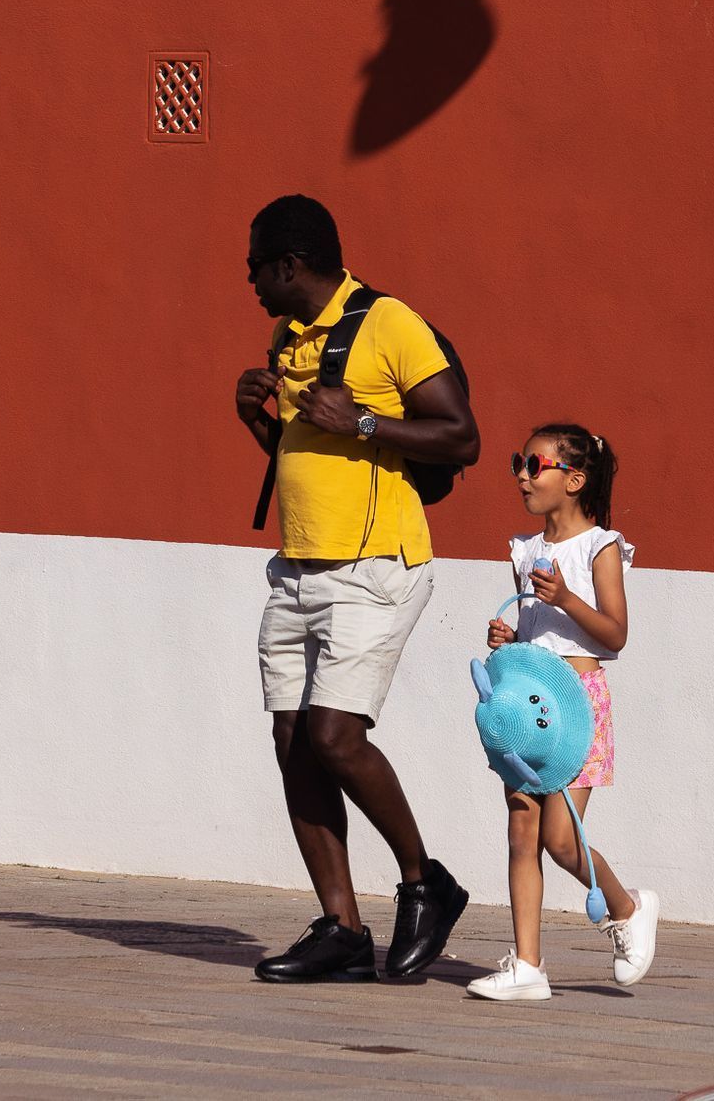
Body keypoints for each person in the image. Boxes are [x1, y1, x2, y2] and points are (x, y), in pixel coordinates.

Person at [234, 194, 480, 983]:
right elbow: (318, 451)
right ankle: (341, 927)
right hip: (299, 565)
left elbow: (460, 434)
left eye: (256, 268)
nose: (251, 285)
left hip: (376, 567)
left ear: (290, 264)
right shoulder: (290, 336)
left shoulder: (390, 323)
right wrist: (261, 425)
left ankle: (424, 882)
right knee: (291, 743)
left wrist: (369, 424)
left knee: (336, 736)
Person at [467, 423, 660, 1001]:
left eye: (534, 464)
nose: (522, 476)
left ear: (573, 480)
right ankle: (527, 964)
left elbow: (615, 634)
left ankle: (626, 907)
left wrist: (566, 599)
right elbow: (533, 633)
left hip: (577, 707)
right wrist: (509, 636)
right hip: (527, 705)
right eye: (518, 464)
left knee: (560, 838)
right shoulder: (524, 551)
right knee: (521, 828)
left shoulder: (600, 547)